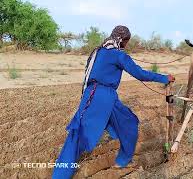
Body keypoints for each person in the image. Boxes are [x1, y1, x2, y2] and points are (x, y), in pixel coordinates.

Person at [52, 25, 175, 178]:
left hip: (100, 95)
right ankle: (60, 175)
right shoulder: (118, 55)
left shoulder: (98, 52)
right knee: (78, 135)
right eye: (127, 42)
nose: (126, 45)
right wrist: (164, 78)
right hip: (99, 97)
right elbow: (140, 73)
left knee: (128, 122)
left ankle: (122, 161)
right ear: (122, 40)